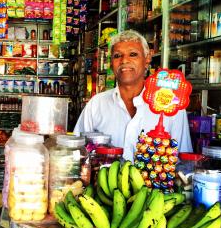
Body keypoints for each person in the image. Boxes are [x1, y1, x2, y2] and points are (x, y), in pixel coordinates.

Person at [73, 30, 192, 161]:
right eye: (117, 56)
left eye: (133, 54)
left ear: (147, 59)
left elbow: (183, 161)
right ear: (111, 63)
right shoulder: (96, 104)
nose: (125, 60)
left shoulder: (171, 105)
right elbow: (77, 152)